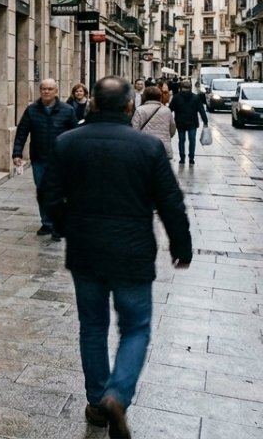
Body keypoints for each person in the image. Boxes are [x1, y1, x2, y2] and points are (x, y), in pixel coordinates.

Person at [39, 77, 192, 438]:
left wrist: (66, 226)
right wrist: (181, 246)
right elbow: (171, 202)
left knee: (92, 327)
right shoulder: (147, 148)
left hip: (86, 252)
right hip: (132, 254)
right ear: (129, 107)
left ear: (92, 103)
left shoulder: (68, 142)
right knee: (135, 327)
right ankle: (117, 395)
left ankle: (97, 401)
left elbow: (48, 195)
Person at [11, 78, 78, 239]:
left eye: (49, 89)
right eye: (43, 89)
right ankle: (47, 223)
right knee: (42, 190)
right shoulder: (32, 110)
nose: (46, 91)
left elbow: (75, 135)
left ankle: (58, 225)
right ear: (40, 91)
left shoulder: (67, 110)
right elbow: (22, 132)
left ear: (56, 91)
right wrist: (17, 153)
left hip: (61, 159)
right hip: (39, 158)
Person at [168, 80, 208, 164]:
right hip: (192, 123)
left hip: (180, 122)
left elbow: (170, 109)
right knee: (192, 140)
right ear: (190, 88)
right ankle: (191, 158)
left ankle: (182, 158)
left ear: (181, 88)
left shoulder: (176, 97)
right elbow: (201, 110)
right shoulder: (196, 98)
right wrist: (205, 121)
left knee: (181, 140)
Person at [131, 86, 176, 159]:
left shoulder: (140, 110)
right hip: (162, 145)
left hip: (144, 145)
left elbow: (134, 129)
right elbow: (172, 129)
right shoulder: (166, 110)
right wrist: (166, 137)